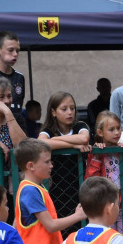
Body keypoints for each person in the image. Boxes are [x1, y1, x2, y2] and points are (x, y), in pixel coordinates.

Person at [85, 111, 123, 244]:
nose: (117, 132)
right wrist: (98, 157)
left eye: (118, 128)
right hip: (104, 206)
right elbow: (91, 180)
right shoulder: (95, 152)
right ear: (100, 132)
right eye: (111, 129)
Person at [39, 91, 92, 231]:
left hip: (78, 185)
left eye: (72, 108)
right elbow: (42, 143)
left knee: (79, 226)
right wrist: (73, 145)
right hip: (56, 186)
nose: (70, 112)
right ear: (53, 112)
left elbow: (83, 139)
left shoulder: (80, 126)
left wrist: (55, 141)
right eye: (64, 109)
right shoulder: (48, 130)